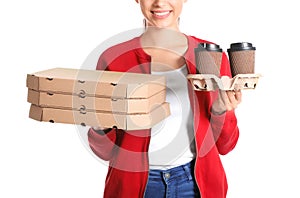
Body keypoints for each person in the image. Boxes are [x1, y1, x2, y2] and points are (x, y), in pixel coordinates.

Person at [88, 0, 241, 197]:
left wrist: (221, 111)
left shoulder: (211, 56)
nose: (160, 3)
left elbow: (225, 145)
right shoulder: (114, 58)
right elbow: (105, 152)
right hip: (135, 188)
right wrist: (100, 122)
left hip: (194, 185)